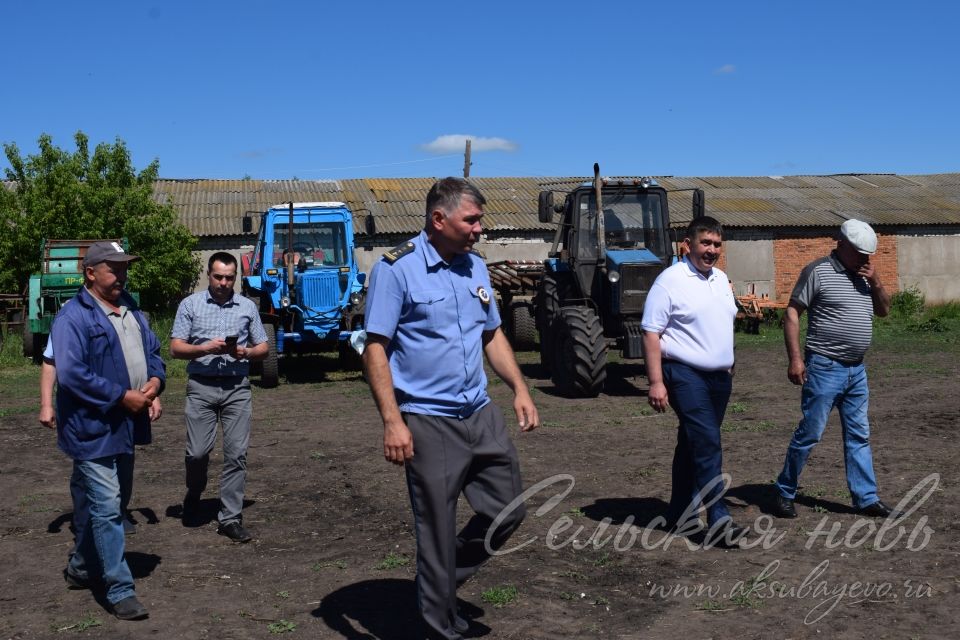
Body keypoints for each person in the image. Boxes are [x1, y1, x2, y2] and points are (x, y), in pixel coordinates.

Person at [363, 177, 540, 640]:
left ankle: (438, 582)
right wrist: (392, 421)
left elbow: (492, 334)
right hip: (426, 419)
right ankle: (438, 624)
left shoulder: (476, 267)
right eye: (472, 219)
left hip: (479, 412)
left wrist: (519, 388)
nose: (480, 228)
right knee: (436, 528)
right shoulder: (396, 269)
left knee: (509, 509)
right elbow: (375, 348)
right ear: (438, 219)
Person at [51, 241, 165, 620]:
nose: (121, 275)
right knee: (105, 507)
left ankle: (81, 569)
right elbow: (70, 375)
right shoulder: (73, 317)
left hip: (126, 425)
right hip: (90, 429)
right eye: (113, 268)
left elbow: (153, 351)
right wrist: (120, 396)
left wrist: (154, 382)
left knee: (114, 504)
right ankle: (119, 588)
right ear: (90, 272)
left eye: (124, 267)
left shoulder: (131, 308)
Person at [772, 219, 897, 519]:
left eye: (869, 254)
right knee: (811, 432)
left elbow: (884, 311)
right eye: (859, 252)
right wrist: (796, 358)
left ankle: (866, 498)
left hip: (857, 371)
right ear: (841, 244)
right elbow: (792, 313)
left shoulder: (866, 276)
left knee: (859, 435)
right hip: (825, 367)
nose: (865, 259)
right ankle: (784, 490)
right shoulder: (818, 272)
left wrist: (877, 281)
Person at [641, 216, 745, 545]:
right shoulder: (670, 281)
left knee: (692, 443)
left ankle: (678, 513)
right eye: (706, 243)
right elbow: (651, 332)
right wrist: (656, 381)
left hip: (718, 378)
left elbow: (723, 322)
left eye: (717, 244)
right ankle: (718, 518)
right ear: (689, 244)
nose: (711, 250)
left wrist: (728, 361)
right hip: (684, 373)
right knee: (707, 442)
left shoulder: (720, 279)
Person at [170, 252, 268, 543]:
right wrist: (205, 349)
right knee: (197, 453)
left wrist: (246, 352)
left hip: (237, 387)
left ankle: (230, 518)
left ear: (235, 277)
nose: (224, 282)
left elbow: (263, 346)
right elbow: (175, 348)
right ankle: (195, 491)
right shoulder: (191, 305)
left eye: (229, 277)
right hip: (201, 386)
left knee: (236, 454)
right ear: (208, 275)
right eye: (218, 277)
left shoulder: (247, 307)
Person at [40, 339, 161, 535]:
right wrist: (46, 404)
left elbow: (135, 359)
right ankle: (85, 530)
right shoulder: (71, 316)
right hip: (87, 409)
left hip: (125, 405)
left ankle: (118, 514)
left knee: (124, 463)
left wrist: (153, 395)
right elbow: (51, 361)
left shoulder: (122, 313)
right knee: (86, 470)